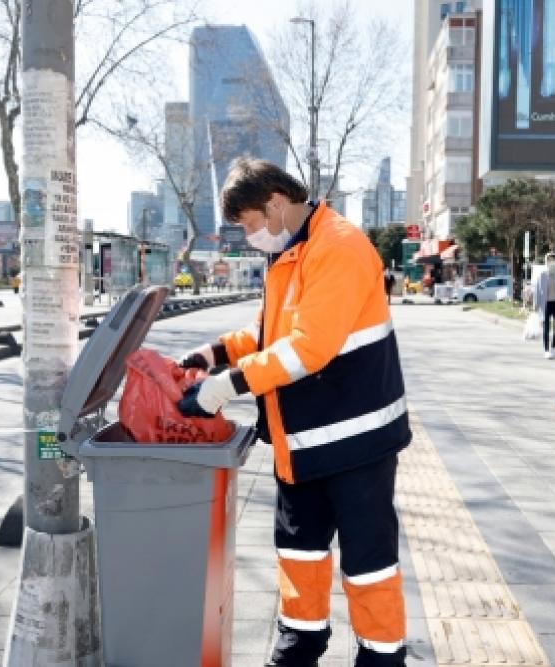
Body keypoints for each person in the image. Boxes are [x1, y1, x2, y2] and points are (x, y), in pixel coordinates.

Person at [176, 157, 410, 666]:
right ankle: (298, 649)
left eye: (249, 224)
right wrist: (213, 354)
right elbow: (267, 338)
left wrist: (224, 388)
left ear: (277, 204)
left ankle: (381, 656)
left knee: (368, 566)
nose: (248, 237)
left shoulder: (339, 247)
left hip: (357, 447)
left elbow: (307, 349)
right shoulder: (291, 254)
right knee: (299, 558)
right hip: (301, 445)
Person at [531, 252, 555, 359]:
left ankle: (553, 348)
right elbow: (538, 290)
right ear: (546, 261)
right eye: (549, 260)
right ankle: (546, 350)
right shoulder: (542, 274)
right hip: (546, 304)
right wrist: (535, 304)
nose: (551, 261)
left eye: (553, 259)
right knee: (546, 328)